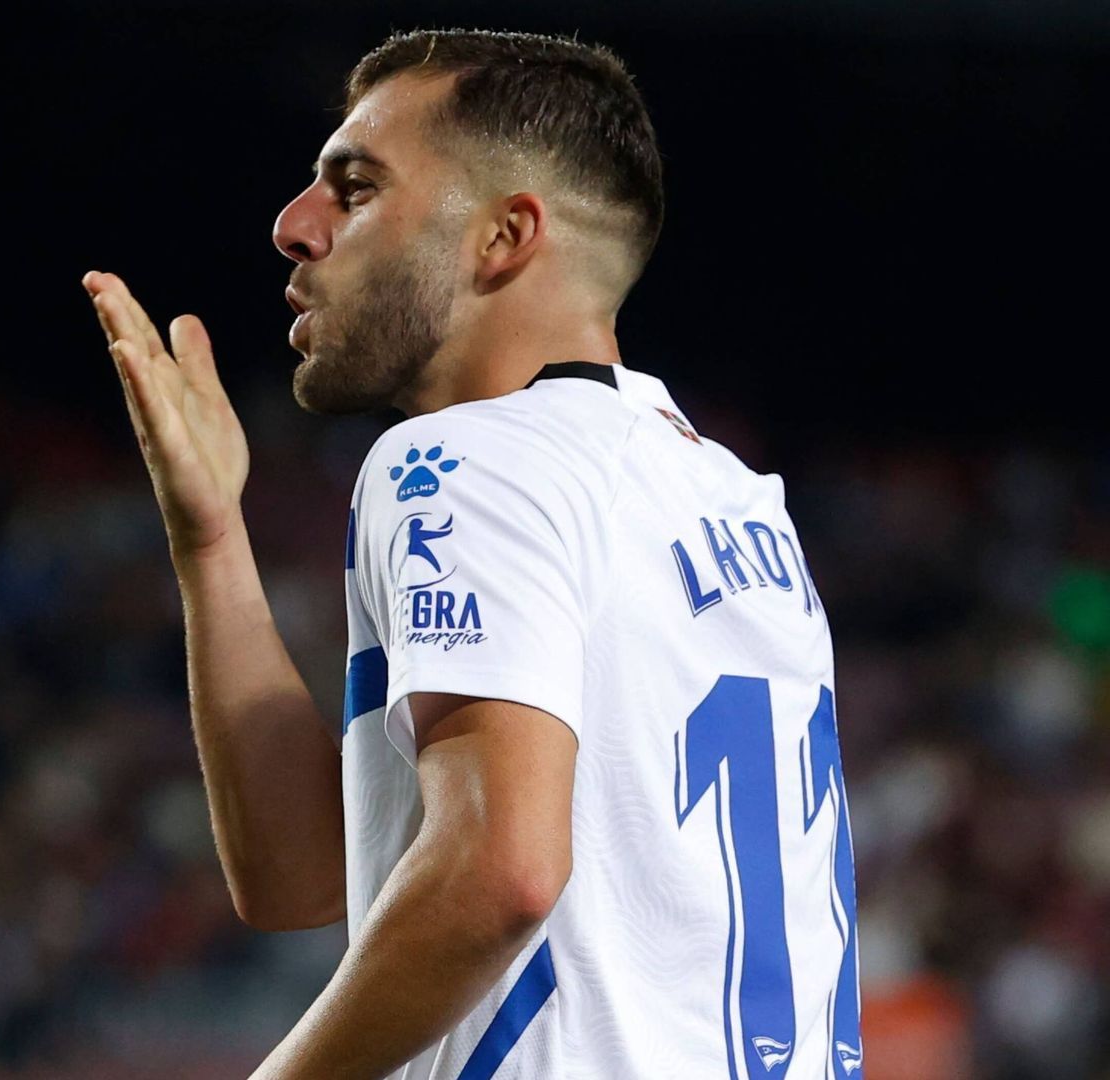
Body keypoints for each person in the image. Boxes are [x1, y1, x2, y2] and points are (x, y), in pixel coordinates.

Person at [82, 27, 860, 1080]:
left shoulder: (465, 461)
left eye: (353, 190)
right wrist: (211, 539)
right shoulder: (734, 499)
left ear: (503, 236)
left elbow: (498, 875)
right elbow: (308, 877)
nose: (293, 227)